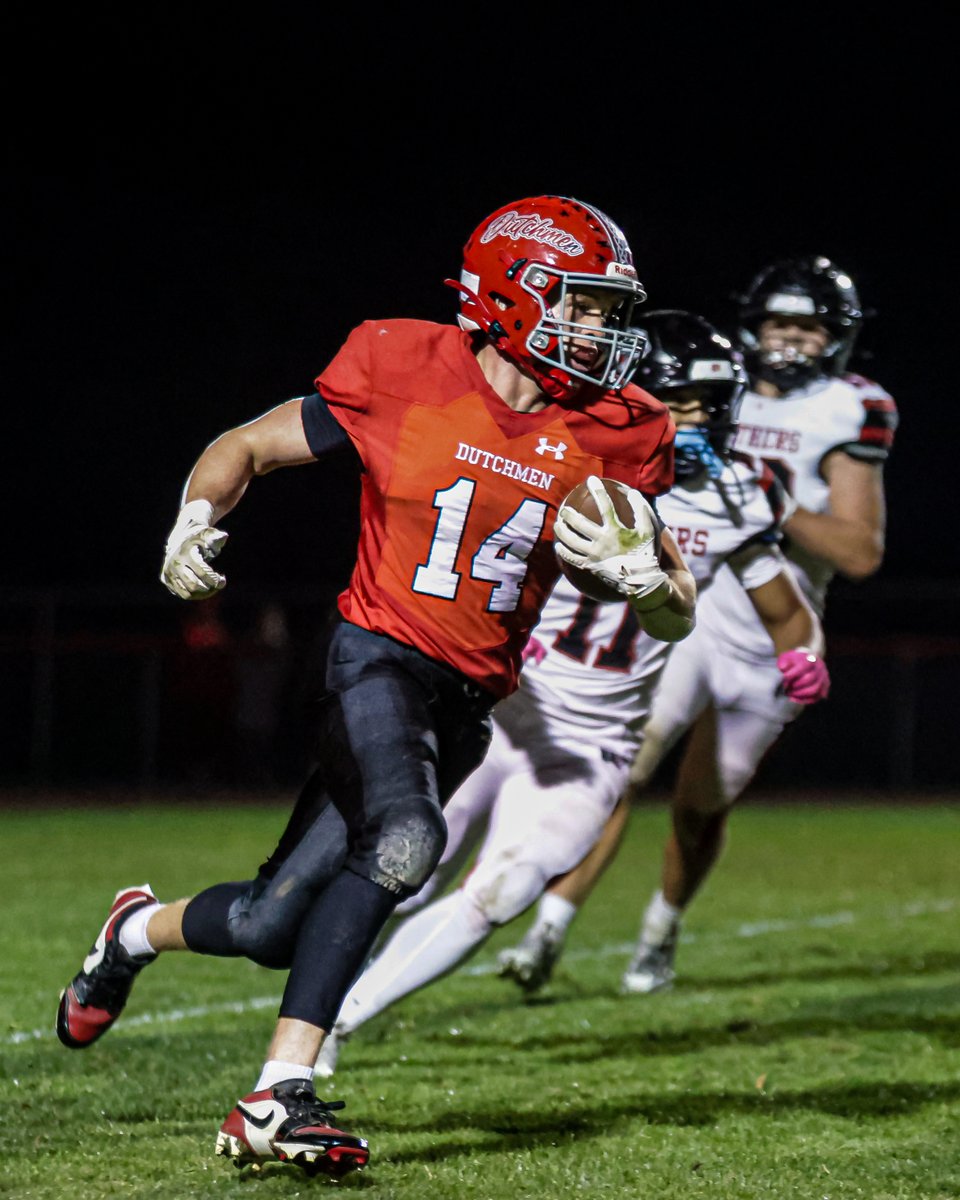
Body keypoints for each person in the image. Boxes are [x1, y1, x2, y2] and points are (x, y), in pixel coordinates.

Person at [54, 196, 696, 1179]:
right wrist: (191, 518)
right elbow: (249, 447)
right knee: (406, 841)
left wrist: (653, 586)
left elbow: (677, 607)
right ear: (514, 295)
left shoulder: (620, 431)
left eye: (612, 311)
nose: (604, 332)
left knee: (274, 926)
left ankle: (132, 930)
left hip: (468, 700)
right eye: (586, 306)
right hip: (373, 658)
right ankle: (279, 1094)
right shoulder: (404, 364)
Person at [310, 309, 830, 1076]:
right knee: (406, 864)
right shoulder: (568, 450)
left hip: (596, 746)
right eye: (673, 403)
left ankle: (335, 1027)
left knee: (507, 887)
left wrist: (804, 655)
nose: (687, 425)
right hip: (507, 709)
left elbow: (787, 612)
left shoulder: (736, 502)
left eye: (704, 410)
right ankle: (305, 1001)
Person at [502, 256, 898, 997]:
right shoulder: (707, 379)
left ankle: (661, 928)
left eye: (808, 327)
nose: (790, 340)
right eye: (779, 322)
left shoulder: (853, 407)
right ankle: (547, 929)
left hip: (771, 627)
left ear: (836, 337)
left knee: (699, 804)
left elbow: (859, 550)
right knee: (624, 765)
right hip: (694, 604)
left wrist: (758, 499)